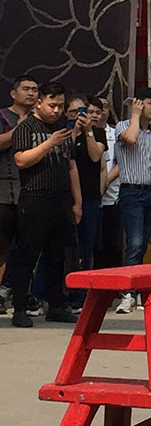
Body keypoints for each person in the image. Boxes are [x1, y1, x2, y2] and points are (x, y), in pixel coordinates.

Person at [7, 82, 81, 328]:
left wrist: (77, 201)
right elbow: (21, 160)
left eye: (60, 105)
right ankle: (19, 308)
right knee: (27, 255)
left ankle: (56, 306)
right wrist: (49, 143)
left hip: (61, 199)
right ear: (39, 102)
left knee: (57, 255)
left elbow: (71, 165)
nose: (56, 110)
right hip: (35, 198)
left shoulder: (62, 127)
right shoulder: (26, 126)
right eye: (52, 105)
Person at [113, 88, 151, 314]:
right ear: (138, 104)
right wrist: (134, 115)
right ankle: (127, 293)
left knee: (143, 243)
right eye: (150, 103)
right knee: (133, 242)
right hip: (131, 192)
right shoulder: (124, 126)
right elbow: (131, 139)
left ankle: (134, 288)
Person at [0, 74, 40, 289]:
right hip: (4, 190)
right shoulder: (3, 116)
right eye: (26, 88)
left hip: (33, 191)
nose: (31, 93)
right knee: (2, 246)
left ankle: (22, 294)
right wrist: (20, 128)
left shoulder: (42, 118)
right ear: (14, 93)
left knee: (27, 247)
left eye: (34, 89)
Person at [67, 95, 107, 305]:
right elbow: (66, 152)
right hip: (65, 197)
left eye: (85, 112)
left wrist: (88, 130)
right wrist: (74, 130)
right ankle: (50, 295)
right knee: (62, 248)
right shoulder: (64, 132)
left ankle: (80, 297)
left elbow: (95, 156)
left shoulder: (98, 133)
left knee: (86, 248)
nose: (81, 117)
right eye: (76, 113)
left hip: (90, 197)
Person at [96, 96, 123, 269]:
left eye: (105, 107)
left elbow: (120, 163)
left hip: (112, 197)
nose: (102, 111)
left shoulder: (116, 134)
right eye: (97, 109)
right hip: (91, 197)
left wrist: (104, 182)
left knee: (112, 243)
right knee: (94, 244)